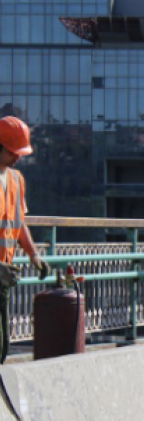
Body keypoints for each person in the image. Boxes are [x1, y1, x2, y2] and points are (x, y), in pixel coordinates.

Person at [0, 116, 50, 363]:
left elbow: (18, 225)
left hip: (4, 277)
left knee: (2, 344)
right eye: (12, 152)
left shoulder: (16, 181)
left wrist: (33, 254)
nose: (17, 157)